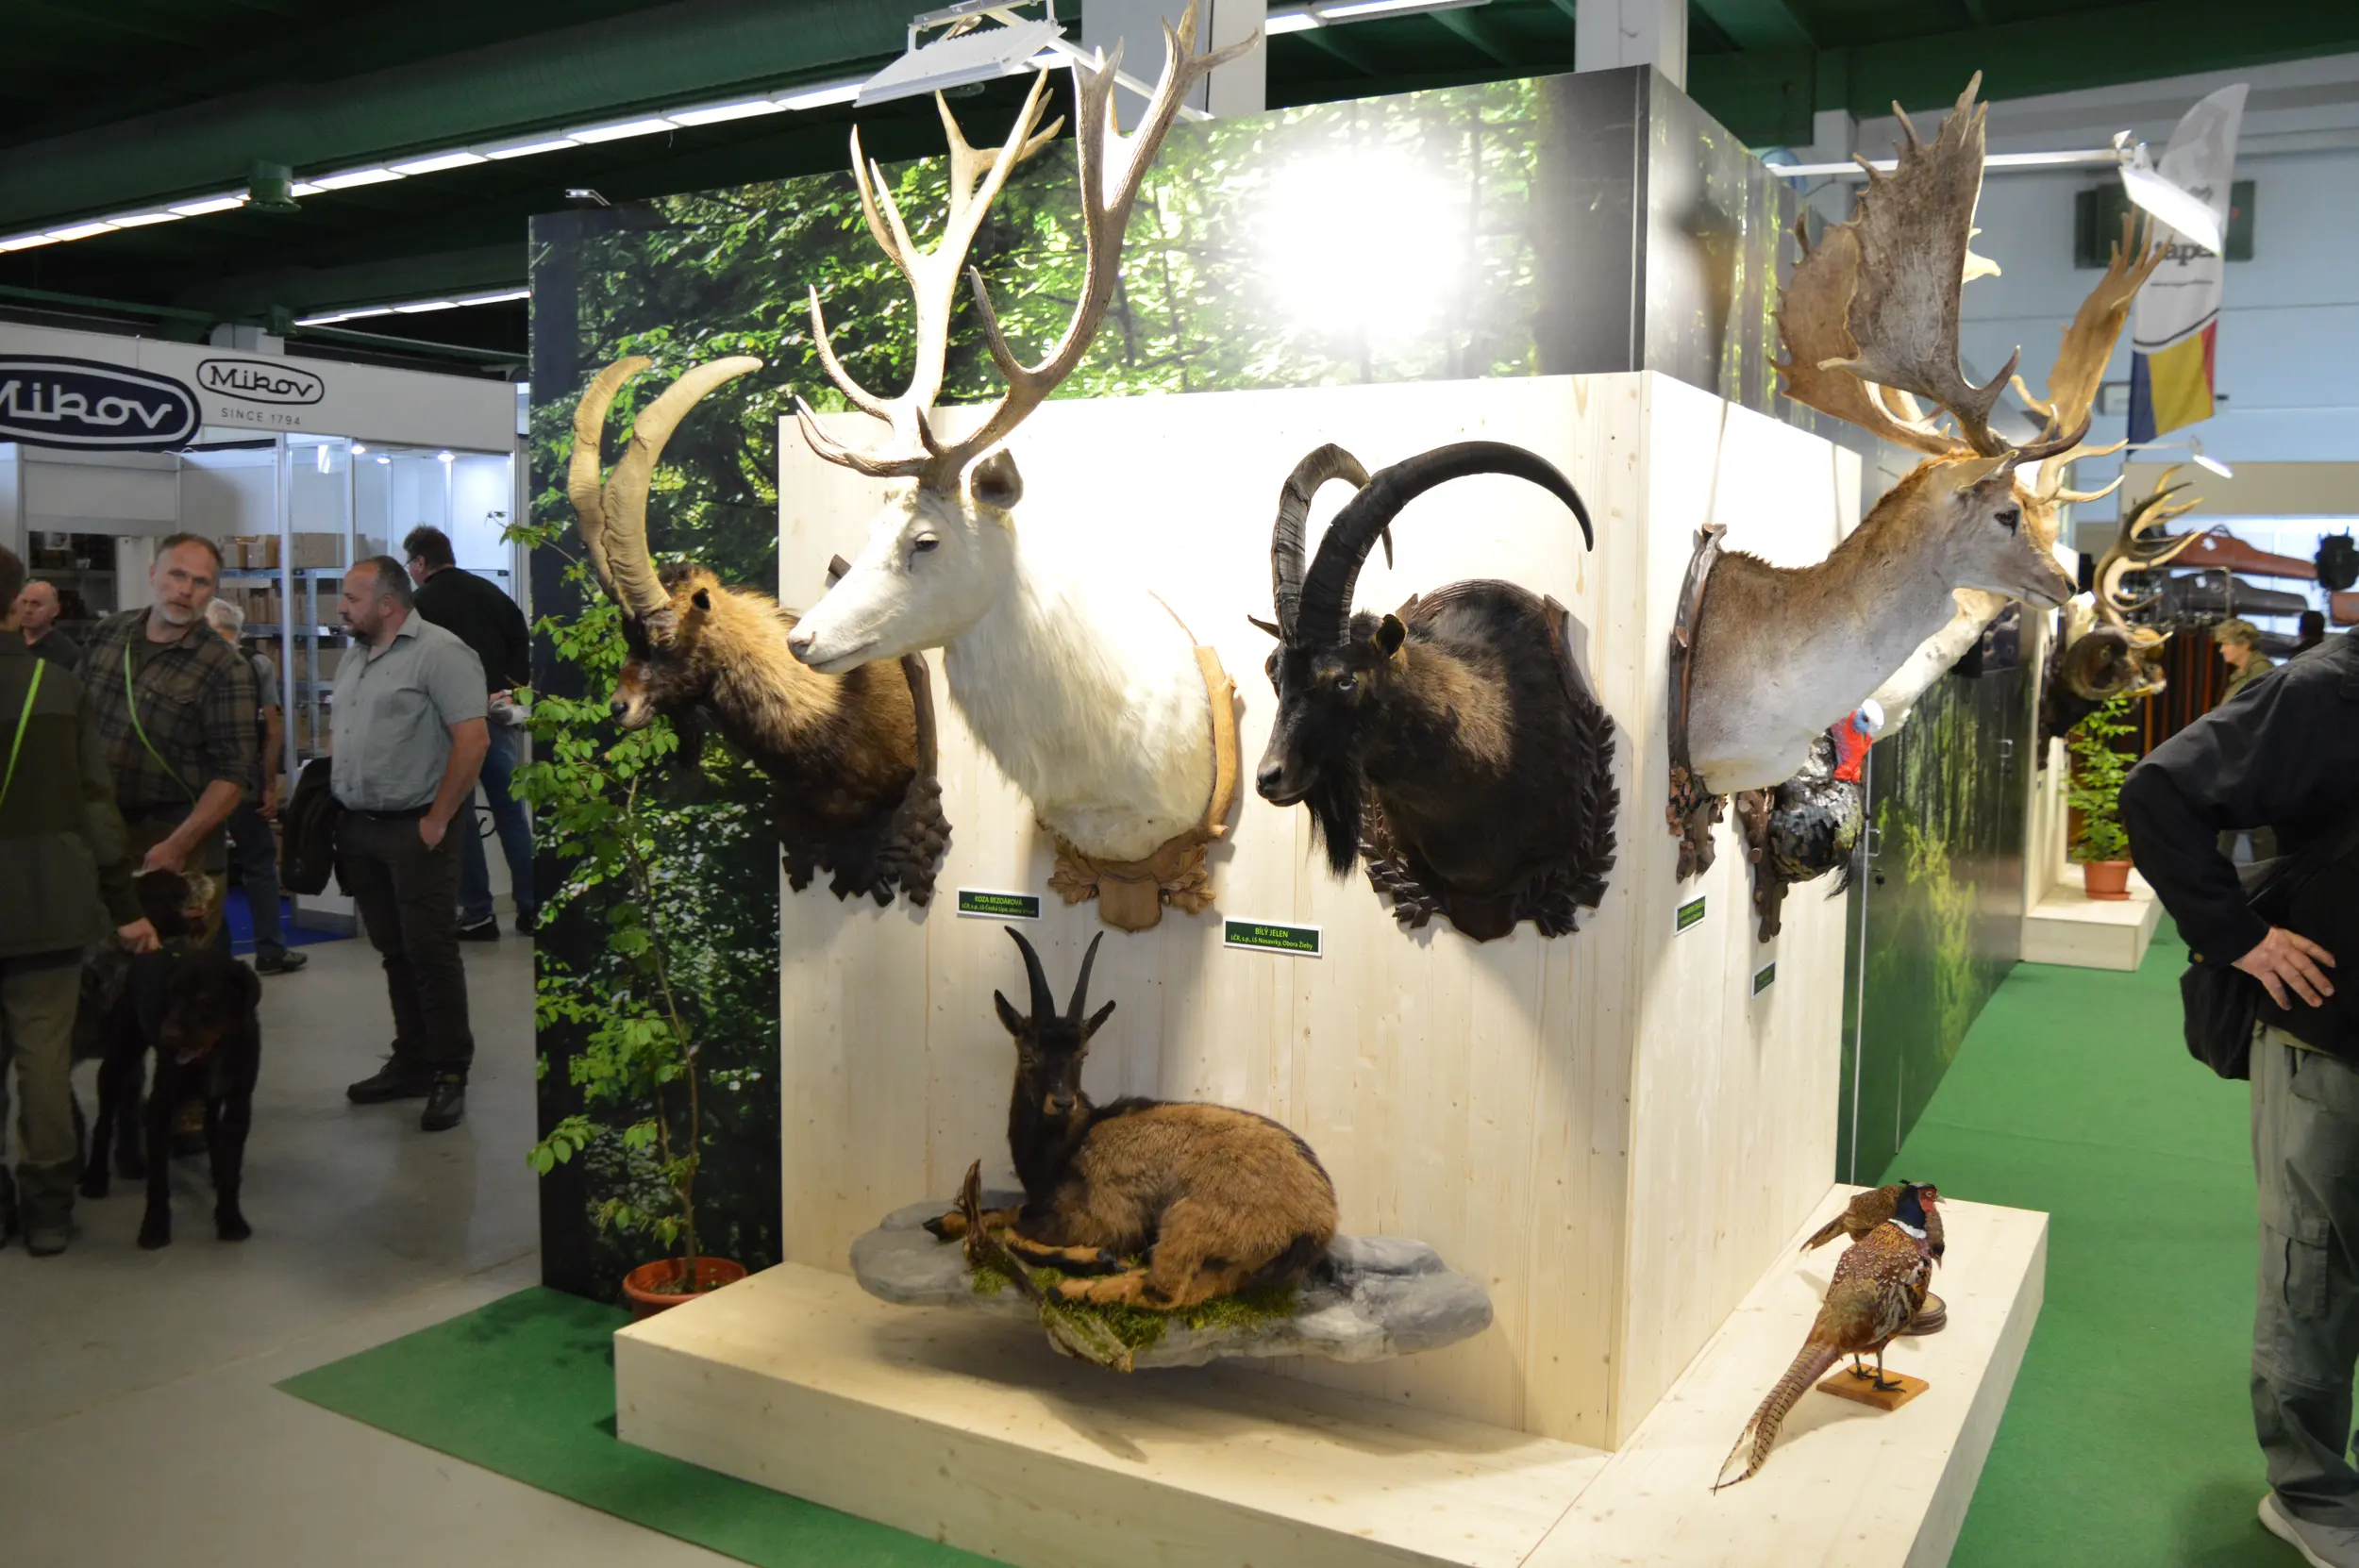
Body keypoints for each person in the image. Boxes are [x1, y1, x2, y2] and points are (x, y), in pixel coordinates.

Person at [2121, 630, 2359, 1567]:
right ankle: (2310, 1496)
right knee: (2314, 1277)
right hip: (2328, 1040)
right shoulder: (2327, 691)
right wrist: (2238, 937)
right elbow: (2160, 793)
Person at [0, 544, 157, 1257]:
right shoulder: (57, 688)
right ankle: (48, 1211)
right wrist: (125, 903)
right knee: (44, 1061)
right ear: (16, 602)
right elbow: (97, 806)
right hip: (51, 908)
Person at [332, 557, 489, 1133]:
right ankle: (413, 1060)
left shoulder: (442, 653)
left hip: (417, 827)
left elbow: (472, 741)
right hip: (362, 828)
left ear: (387, 604)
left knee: (430, 953)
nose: (341, 608)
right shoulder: (356, 655)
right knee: (395, 951)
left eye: (351, 599)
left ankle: (449, 1071)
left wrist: (438, 818)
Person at [403, 525, 535, 941]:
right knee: (511, 814)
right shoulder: (489, 592)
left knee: (461, 817)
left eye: (410, 564)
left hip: (451, 726)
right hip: (495, 717)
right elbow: (520, 636)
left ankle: (478, 912)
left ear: (420, 562)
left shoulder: (420, 604)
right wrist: (508, 688)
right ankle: (532, 907)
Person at [203, 597, 305, 975]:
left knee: (208, 868)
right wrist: (268, 784)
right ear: (239, 629)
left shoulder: (194, 662)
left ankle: (215, 953)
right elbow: (273, 729)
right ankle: (271, 950)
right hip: (244, 781)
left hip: (201, 785)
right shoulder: (257, 662)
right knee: (259, 864)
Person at [14, 579, 81, 670]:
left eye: (36, 604)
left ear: (55, 610)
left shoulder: (68, 652)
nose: (27, 610)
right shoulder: (7, 639)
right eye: (24, 602)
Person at [2217, 618, 2276, 703]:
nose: (2222, 650)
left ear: (2245, 644)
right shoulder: (2241, 672)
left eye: (2226, 644)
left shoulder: (2260, 669)